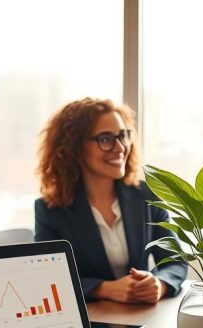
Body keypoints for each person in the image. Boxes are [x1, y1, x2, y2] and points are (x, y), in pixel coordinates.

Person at [34, 98, 186, 303]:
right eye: (105, 139)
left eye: (123, 136)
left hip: (142, 317)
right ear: (75, 147)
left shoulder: (146, 196)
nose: (120, 147)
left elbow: (175, 262)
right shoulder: (50, 209)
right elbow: (48, 278)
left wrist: (160, 284)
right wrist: (104, 289)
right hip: (93, 323)